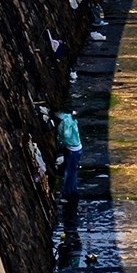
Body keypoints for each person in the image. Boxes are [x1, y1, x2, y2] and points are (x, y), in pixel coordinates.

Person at [54, 106, 85, 263]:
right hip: (76, 149)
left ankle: (70, 195)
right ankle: (71, 194)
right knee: (71, 174)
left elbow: (66, 136)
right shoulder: (69, 119)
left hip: (72, 150)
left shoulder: (64, 122)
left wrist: (59, 139)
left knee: (69, 175)